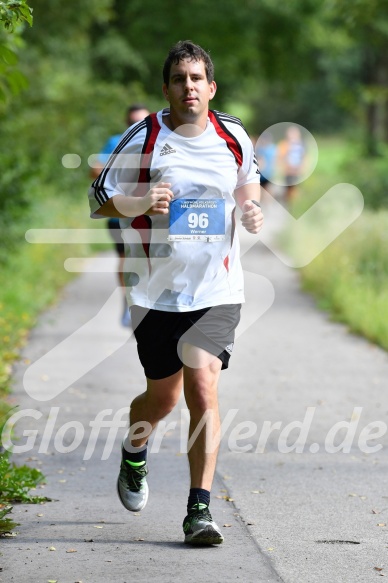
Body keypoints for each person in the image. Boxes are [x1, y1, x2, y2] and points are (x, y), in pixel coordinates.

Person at [88, 40, 263, 545]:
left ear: (211, 87)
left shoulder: (233, 135)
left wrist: (250, 210)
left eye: (196, 78)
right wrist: (140, 202)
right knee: (161, 400)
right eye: (179, 79)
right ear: (166, 89)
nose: (188, 87)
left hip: (217, 289)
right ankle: (134, 452)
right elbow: (100, 198)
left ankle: (199, 511)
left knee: (202, 385)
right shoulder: (144, 137)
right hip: (156, 294)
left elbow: (247, 183)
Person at [90, 104, 150, 326]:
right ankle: (128, 302)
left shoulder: (160, 141)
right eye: (131, 122)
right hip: (120, 216)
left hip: (152, 216)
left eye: (141, 122)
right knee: (126, 259)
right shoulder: (117, 142)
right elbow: (94, 169)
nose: (136, 126)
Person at [277, 124, 305, 203]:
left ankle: (296, 205)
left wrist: (302, 167)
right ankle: (288, 204)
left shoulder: (301, 144)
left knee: (296, 189)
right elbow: (280, 157)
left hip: (297, 170)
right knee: (288, 189)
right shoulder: (284, 144)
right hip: (287, 171)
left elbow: (304, 157)